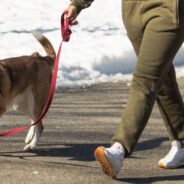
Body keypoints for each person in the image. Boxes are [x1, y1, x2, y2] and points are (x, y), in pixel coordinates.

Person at [65, 0, 184, 178]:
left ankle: (119, 149)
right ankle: (182, 142)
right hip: (134, 12)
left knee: (145, 80)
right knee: (162, 79)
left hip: (168, 10)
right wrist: (77, 4)